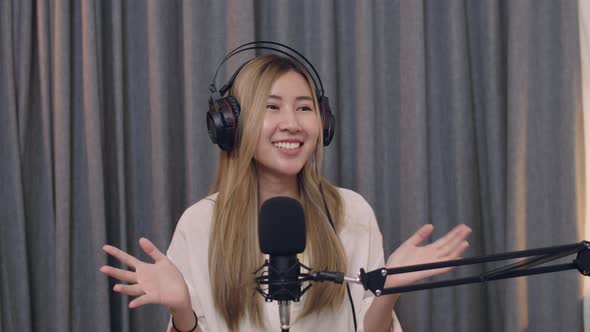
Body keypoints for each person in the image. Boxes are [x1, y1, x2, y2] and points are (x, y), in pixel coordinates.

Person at [100, 47, 472, 332]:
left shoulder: (351, 212)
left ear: (322, 123)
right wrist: (182, 311)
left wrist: (389, 289)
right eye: (271, 107)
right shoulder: (200, 224)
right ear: (231, 124)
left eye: (304, 108)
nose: (291, 124)